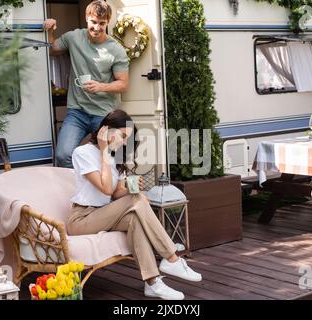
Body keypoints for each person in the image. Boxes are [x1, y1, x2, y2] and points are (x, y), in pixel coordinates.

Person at [67, 109, 202, 300]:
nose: (124, 142)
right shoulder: (82, 153)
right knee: (137, 201)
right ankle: (171, 257)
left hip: (103, 213)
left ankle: (152, 283)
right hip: (81, 219)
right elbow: (105, 188)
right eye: (122, 136)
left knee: (135, 218)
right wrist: (104, 149)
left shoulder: (113, 157)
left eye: (126, 139)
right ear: (105, 130)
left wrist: (131, 189)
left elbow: (114, 194)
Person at [44, 1, 129, 168]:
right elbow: (51, 50)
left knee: (114, 156)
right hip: (77, 112)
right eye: (93, 22)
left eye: (102, 23)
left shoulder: (116, 50)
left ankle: (108, 191)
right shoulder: (74, 37)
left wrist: (101, 86)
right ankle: (78, 191)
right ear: (86, 18)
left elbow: (123, 84)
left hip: (104, 114)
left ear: (108, 22)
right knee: (63, 156)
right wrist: (49, 30)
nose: (97, 27)